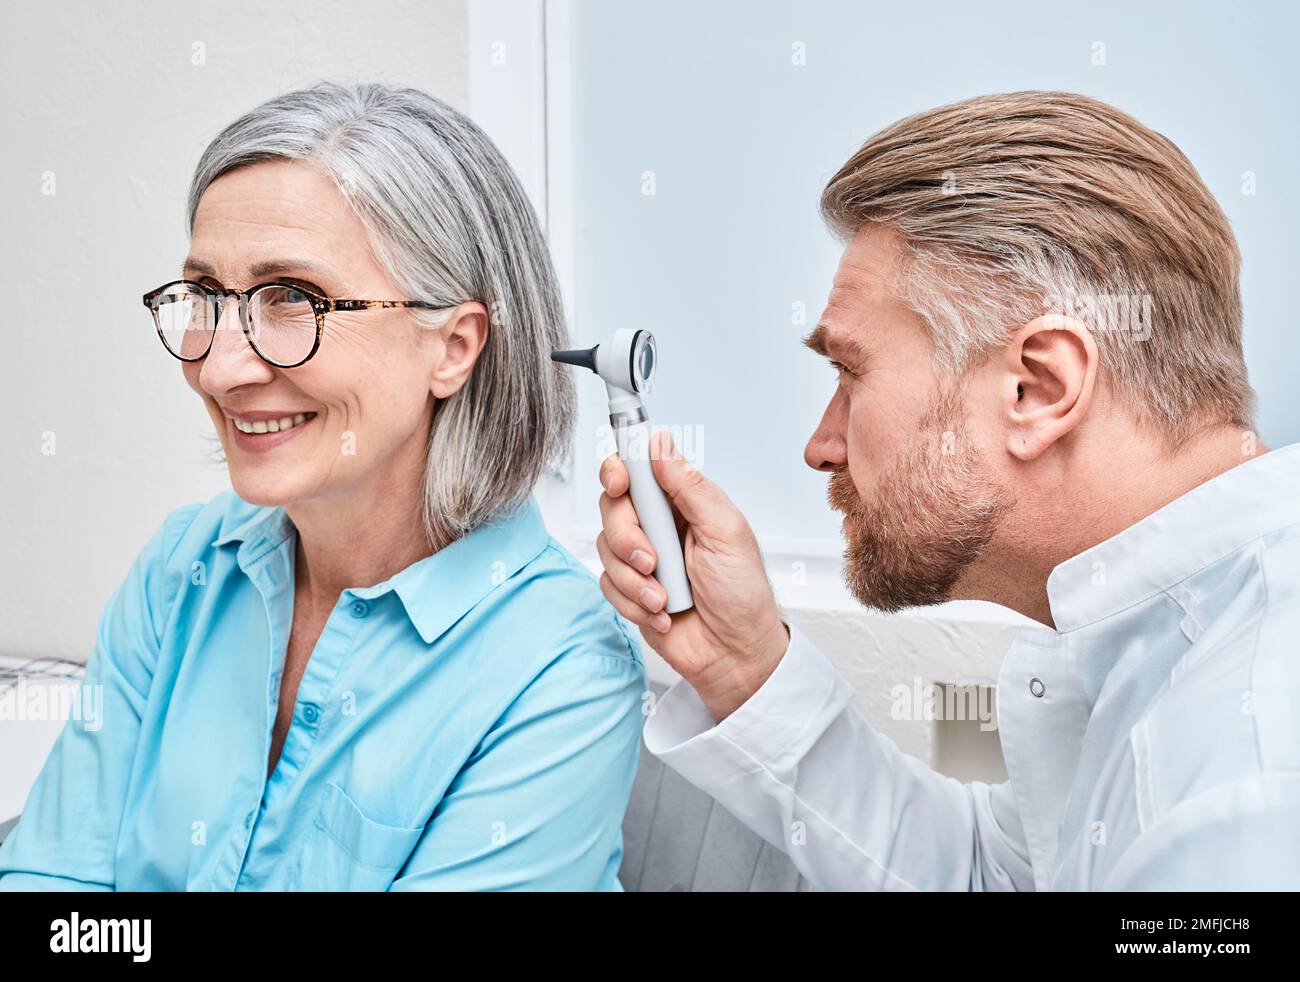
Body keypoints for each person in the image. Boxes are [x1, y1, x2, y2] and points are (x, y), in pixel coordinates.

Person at [594, 91, 1300, 890]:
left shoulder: (1249, 783)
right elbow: (988, 878)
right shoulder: (1123, 630)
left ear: (1038, 389)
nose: (822, 448)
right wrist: (743, 667)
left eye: (850, 373)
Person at [0, 81, 646, 891]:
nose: (221, 367)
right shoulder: (182, 571)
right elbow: (54, 887)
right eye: (206, 297)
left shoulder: (561, 671)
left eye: (292, 300)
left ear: (452, 346)